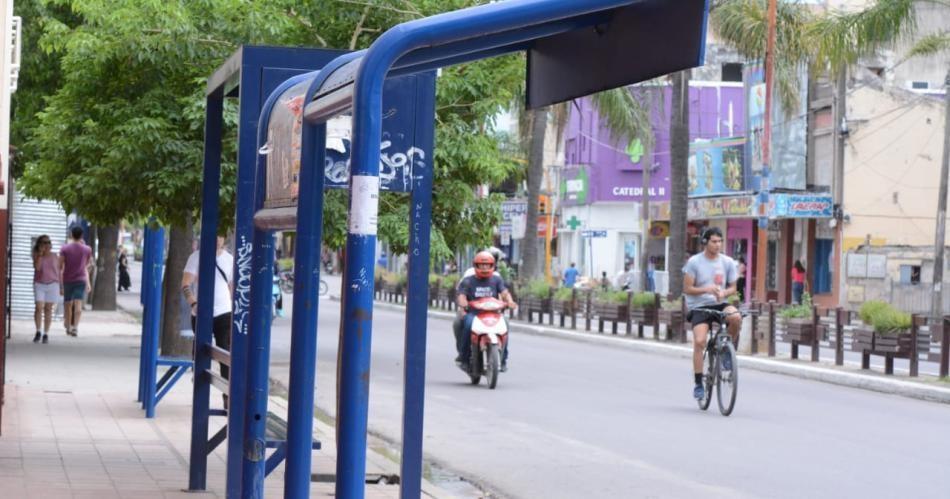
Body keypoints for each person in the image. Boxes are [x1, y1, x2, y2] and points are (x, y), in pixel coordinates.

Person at [683, 227, 740, 401]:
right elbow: (687, 288)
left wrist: (724, 293)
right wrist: (706, 289)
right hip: (699, 306)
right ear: (705, 242)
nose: (718, 245)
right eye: (714, 241)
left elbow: (733, 288)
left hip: (720, 303)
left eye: (720, 241)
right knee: (700, 341)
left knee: (735, 316)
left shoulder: (728, 262)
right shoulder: (694, 262)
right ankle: (699, 383)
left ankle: (724, 350)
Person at [182, 236, 234, 395]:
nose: (217, 239)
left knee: (225, 352)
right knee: (201, 350)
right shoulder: (196, 257)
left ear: (224, 239)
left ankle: (227, 395)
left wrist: (233, 307)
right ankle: (199, 387)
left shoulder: (229, 259)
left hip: (224, 312)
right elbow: (185, 284)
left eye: (220, 236)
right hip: (201, 312)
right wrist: (194, 303)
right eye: (215, 235)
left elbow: (232, 286)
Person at [455, 251, 517, 371]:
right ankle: (464, 358)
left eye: (487, 265)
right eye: (481, 265)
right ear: (476, 265)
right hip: (474, 314)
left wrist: (510, 301)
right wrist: (463, 303)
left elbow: (504, 292)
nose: (484, 267)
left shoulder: (496, 280)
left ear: (492, 266)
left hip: (493, 314)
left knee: (505, 325)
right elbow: (461, 294)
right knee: (467, 325)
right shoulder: (468, 280)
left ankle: (503, 359)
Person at [59, 226, 93, 337]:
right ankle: (75, 328)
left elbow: (60, 265)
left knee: (68, 304)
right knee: (78, 303)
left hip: (68, 279)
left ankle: (68, 326)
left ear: (72, 235)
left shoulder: (64, 249)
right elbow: (86, 265)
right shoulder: (87, 249)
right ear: (82, 235)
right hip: (80, 279)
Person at [32, 235, 60, 343]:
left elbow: (58, 272)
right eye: (44, 242)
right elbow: (37, 267)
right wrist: (40, 254)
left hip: (53, 284)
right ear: (39, 244)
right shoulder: (36, 255)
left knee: (48, 309)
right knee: (39, 307)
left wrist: (61, 286)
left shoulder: (54, 256)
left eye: (48, 242)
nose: (47, 244)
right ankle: (38, 331)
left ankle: (46, 333)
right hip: (39, 284)